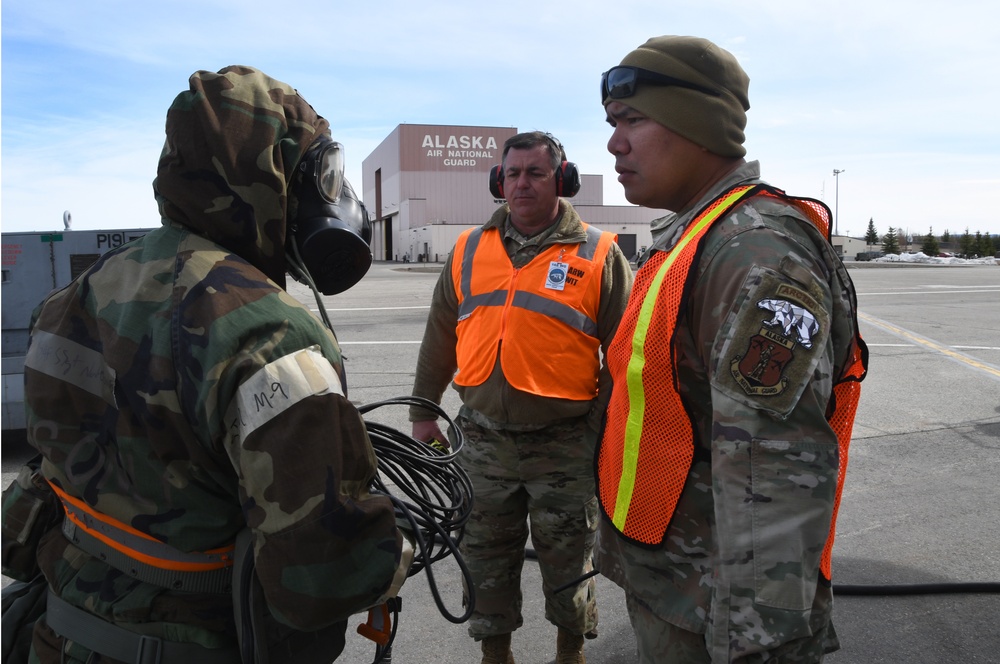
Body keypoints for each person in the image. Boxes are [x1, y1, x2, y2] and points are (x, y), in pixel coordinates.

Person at [10, 65, 412, 663]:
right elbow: (323, 577)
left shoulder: (77, 295)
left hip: (61, 630)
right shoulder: (269, 332)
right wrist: (392, 545)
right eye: (316, 172)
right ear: (269, 177)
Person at [593, 36, 867, 663]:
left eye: (632, 120)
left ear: (697, 125)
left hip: (717, 614)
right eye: (613, 124)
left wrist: (755, 645)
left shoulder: (752, 251)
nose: (614, 143)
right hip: (677, 586)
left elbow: (773, 475)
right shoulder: (693, 236)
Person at [409, 131, 634, 664]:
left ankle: (569, 652)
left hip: (564, 444)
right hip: (482, 437)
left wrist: (600, 430)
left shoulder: (598, 253)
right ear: (498, 181)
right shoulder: (468, 249)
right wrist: (423, 412)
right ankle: (496, 654)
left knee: (568, 560)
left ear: (562, 179)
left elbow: (625, 355)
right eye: (512, 174)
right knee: (483, 554)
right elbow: (440, 335)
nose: (522, 183)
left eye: (535, 172)